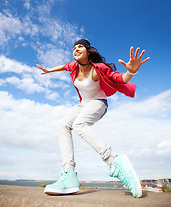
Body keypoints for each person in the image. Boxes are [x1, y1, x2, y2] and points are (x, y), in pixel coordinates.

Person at [37, 39, 150, 198]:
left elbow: (118, 78)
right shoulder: (73, 66)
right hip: (83, 104)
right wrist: (49, 70)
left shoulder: (98, 69)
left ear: (88, 51)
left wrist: (131, 72)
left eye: (80, 47)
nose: (76, 49)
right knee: (62, 125)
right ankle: (69, 174)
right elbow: (63, 67)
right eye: (74, 48)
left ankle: (114, 162)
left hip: (98, 103)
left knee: (79, 125)